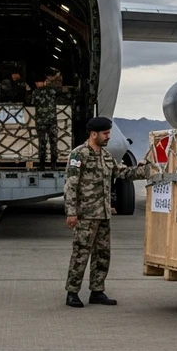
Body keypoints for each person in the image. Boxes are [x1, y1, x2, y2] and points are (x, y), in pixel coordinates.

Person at [63, 116, 156, 308]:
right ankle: (72, 292)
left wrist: (145, 170)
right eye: (105, 133)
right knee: (80, 254)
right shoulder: (78, 155)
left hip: (104, 214)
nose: (108, 137)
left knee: (103, 254)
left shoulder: (106, 157)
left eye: (109, 133)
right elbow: (71, 185)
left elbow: (123, 173)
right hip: (86, 215)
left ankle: (97, 291)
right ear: (93, 134)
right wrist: (71, 212)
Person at [31, 70, 66, 167]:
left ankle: (42, 163)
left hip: (41, 121)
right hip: (52, 121)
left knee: (42, 143)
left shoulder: (35, 92)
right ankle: (53, 163)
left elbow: (32, 103)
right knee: (53, 142)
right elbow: (61, 92)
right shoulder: (51, 90)